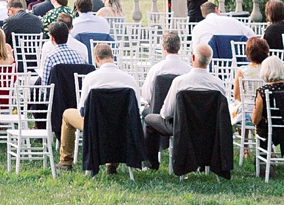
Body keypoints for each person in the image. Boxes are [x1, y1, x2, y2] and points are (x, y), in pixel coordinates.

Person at [142, 41, 228, 167]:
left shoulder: (180, 82)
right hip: (209, 127)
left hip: (182, 127)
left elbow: (166, 113)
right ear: (209, 61)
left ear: (193, 58)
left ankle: (152, 163)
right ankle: (204, 164)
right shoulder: (218, 84)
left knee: (149, 118)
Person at [59, 41, 138, 171]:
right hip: (121, 125)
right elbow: (135, 109)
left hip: (95, 126)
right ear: (112, 57)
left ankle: (65, 161)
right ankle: (112, 163)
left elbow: (82, 109)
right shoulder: (129, 79)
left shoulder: (91, 78)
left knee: (67, 114)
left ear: (96, 59)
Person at [189, 0, 255, 58]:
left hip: (210, 64)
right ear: (216, 9)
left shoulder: (198, 27)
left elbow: (195, 50)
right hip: (236, 62)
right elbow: (252, 36)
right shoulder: (232, 21)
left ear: (203, 14)